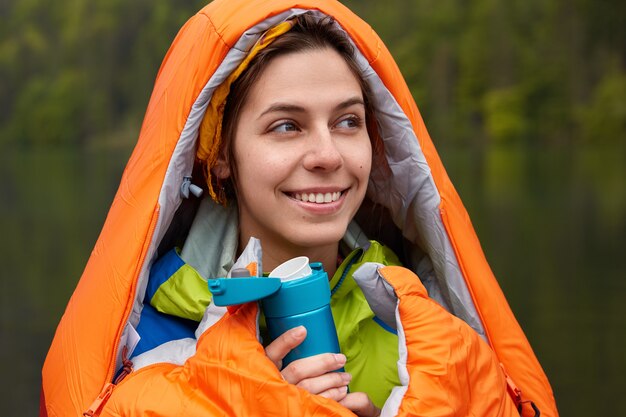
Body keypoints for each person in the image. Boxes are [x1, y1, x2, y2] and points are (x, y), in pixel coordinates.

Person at [40, 1, 559, 417]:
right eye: (286, 125)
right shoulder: (145, 339)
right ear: (221, 154)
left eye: (348, 121)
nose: (328, 155)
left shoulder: (425, 322)